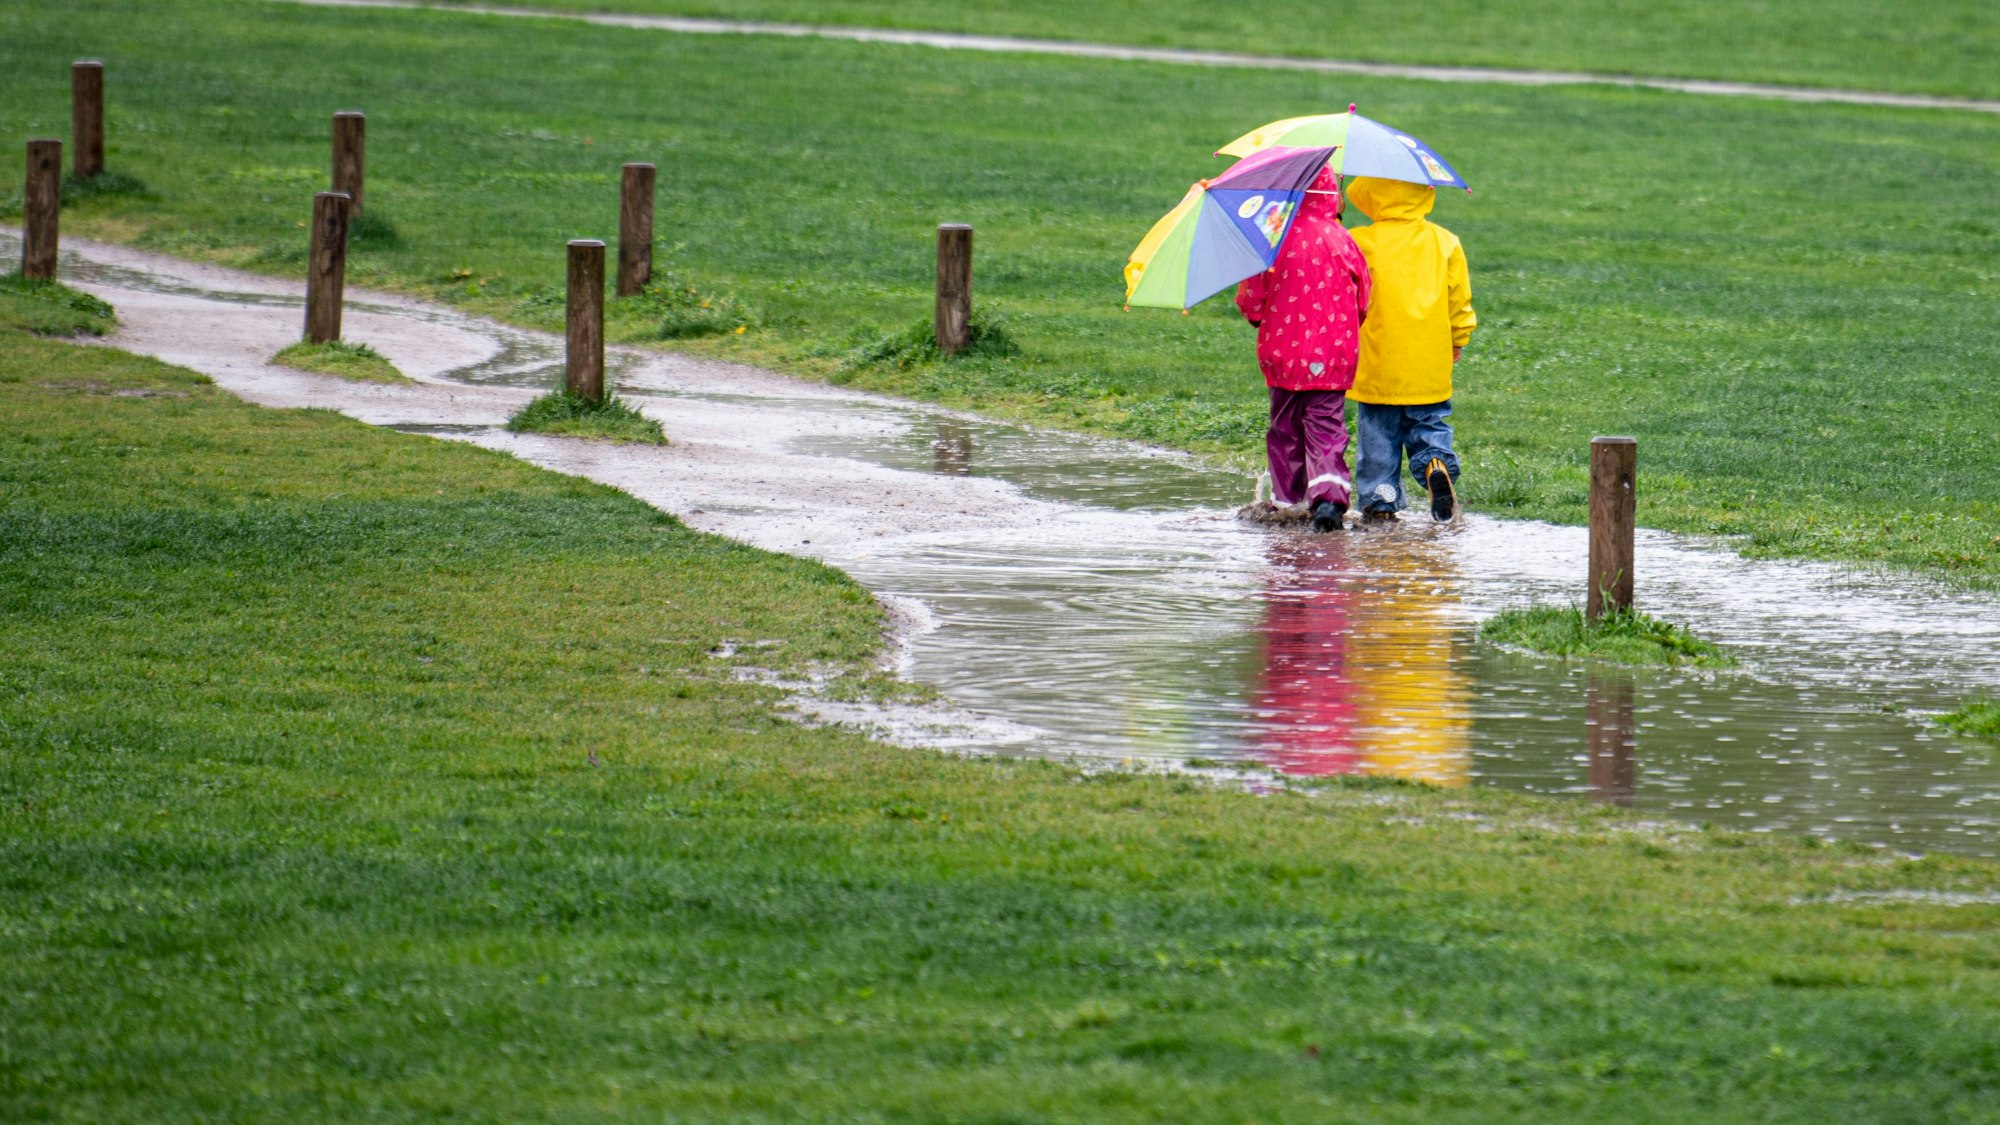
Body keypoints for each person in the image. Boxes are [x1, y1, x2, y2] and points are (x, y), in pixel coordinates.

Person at [1234, 166, 1373, 533]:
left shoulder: (1272, 240)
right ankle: (1328, 497)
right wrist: (1348, 325)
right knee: (1326, 425)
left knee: (1285, 428)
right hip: (1333, 356)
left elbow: (1252, 298)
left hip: (1283, 356)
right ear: (1332, 197)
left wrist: (1256, 317)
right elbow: (1364, 296)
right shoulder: (1344, 240)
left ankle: (1287, 500)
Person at [1345, 175, 1477, 523]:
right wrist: (1458, 338)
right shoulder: (1445, 242)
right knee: (1430, 423)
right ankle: (1436, 463)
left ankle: (1380, 503)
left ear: (1369, 196)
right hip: (1428, 361)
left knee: (1378, 439)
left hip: (1376, 364)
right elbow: (1458, 299)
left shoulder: (1359, 241)